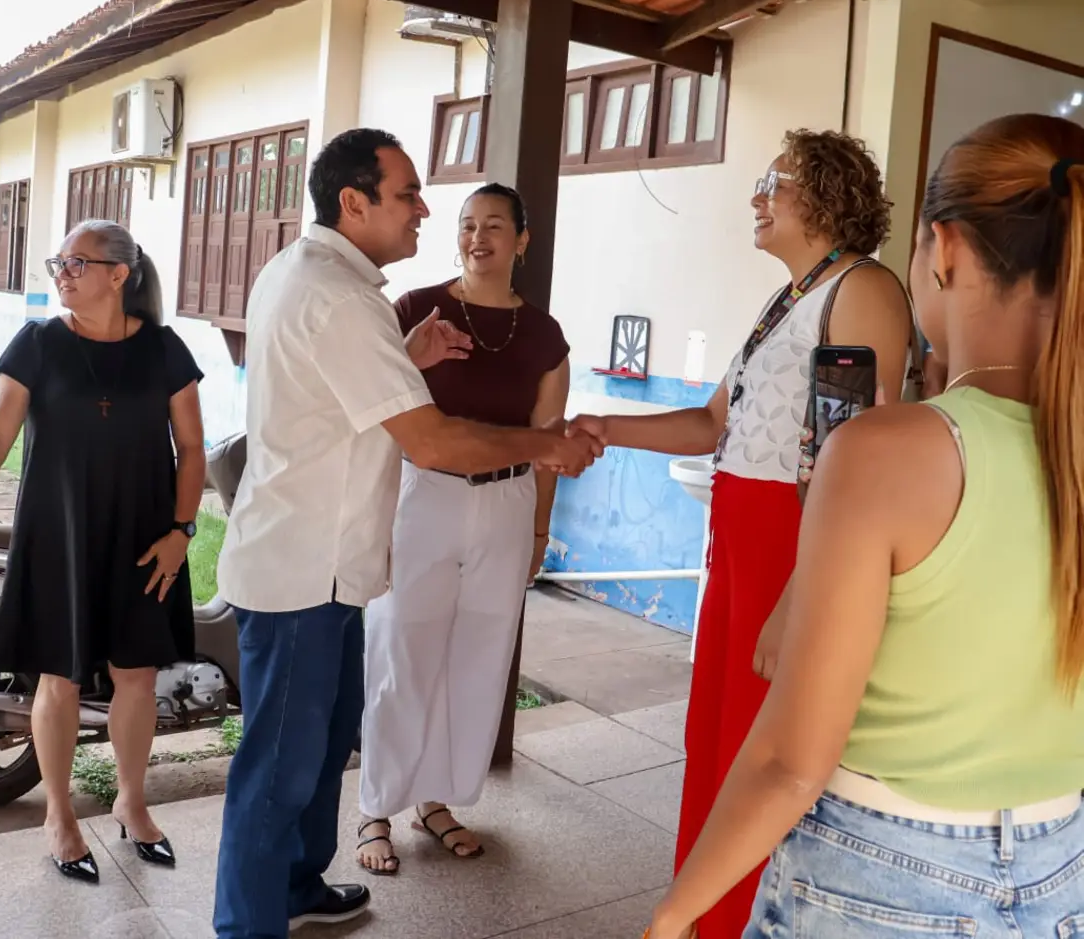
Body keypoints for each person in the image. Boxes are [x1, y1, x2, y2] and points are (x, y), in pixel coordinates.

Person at [643, 112, 1084, 937]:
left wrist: (673, 914)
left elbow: (789, 763)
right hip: (1061, 868)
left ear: (943, 249)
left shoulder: (888, 449)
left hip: (878, 873)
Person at [212, 129, 602, 939]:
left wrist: (406, 352)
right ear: (354, 203)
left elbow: (345, 392)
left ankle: (297, 885)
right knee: (280, 766)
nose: (425, 210)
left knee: (323, 743)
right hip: (300, 567)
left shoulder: (315, 275)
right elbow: (432, 441)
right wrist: (545, 445)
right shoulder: (343, 298)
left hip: (329, 563)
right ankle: (247, 925)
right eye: (408, 195)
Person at [569, 130, 914, 939]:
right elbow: (711, 422)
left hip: (791, 551)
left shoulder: (861, 289)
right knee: (717, 738)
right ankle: (701, 916)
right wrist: (606, 426)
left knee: (762, 748)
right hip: (739, 548)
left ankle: (742, 921)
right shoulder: (791, 296)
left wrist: (802, 594)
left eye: (774, 181)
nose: (757, 197)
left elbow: (856, 456)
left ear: (824, 194)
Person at [0, 220, 204, 884]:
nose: (61, 273)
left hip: (144, 537)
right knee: (58, 677)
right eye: (59, 262)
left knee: (136, 676)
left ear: (119, 274)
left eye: (75, 262)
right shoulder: (39, 342)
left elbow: (191, 447)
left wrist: (181, 532)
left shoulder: (163, 349)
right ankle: (59, 814)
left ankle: (131, 802)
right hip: (59, 530)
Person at [355, 183, 570, 873]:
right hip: (424, 496)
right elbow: (380, 419)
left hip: (507, 503)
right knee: (401, 649)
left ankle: (436, 799)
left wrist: (538, 532)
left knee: (477, 655)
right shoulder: (417, 310)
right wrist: (375, 517)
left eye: (495, 225)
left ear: (522, 240)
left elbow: (549, 442)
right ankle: (375, 807)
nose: (479, 238)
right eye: (469, 225)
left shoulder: (544, 335)